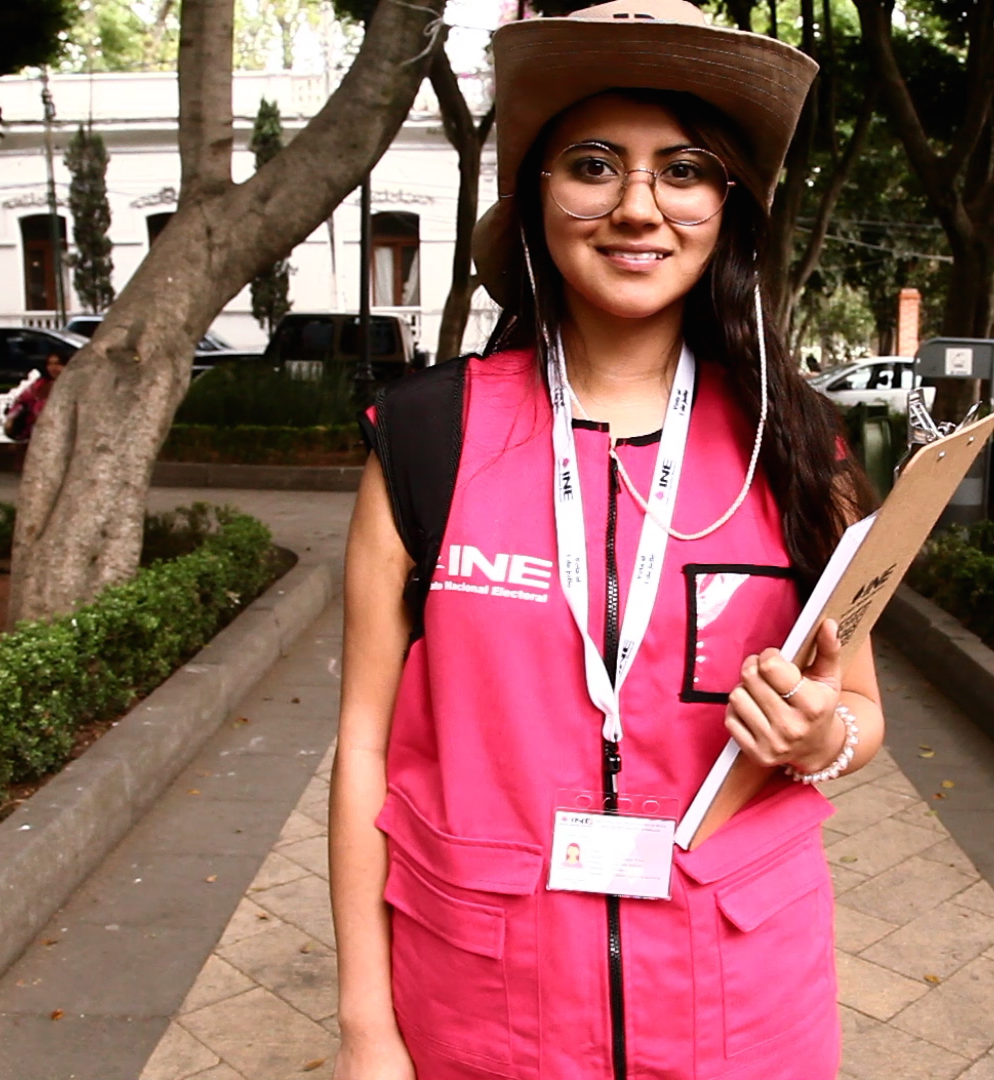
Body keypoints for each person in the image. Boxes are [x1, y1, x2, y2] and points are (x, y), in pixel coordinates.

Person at [331, 2, 887, 1076]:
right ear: (537, 196)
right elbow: (363, 749)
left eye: (684, 171)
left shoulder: (797, 444)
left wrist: (822, 739)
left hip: (744, 1010)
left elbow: (860, 710)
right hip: (487, 1010)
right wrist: (366, 1027)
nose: (639, 207)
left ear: (728, 207)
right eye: (594, 166)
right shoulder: (428, 436)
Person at [4, 348, 65, 442]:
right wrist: (11, 419)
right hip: (34, 431)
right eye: (50, 364)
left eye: (58, 364)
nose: (53, 368)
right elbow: (22, 401)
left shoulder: (73, 386)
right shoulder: (40, 384)